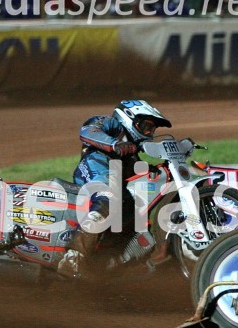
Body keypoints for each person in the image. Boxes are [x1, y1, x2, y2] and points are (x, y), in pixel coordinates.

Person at [57, 100, 171, 278]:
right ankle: (74, 255)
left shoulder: (132, 155)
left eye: (152, 130)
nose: (149, 133)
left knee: (135, 216)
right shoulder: (112, 124)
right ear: (130, 118)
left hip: (114, 176)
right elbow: (88, 131)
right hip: (96, 165)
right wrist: (114, 144)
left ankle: (110, 265)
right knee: (110, 198)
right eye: (147, 127)